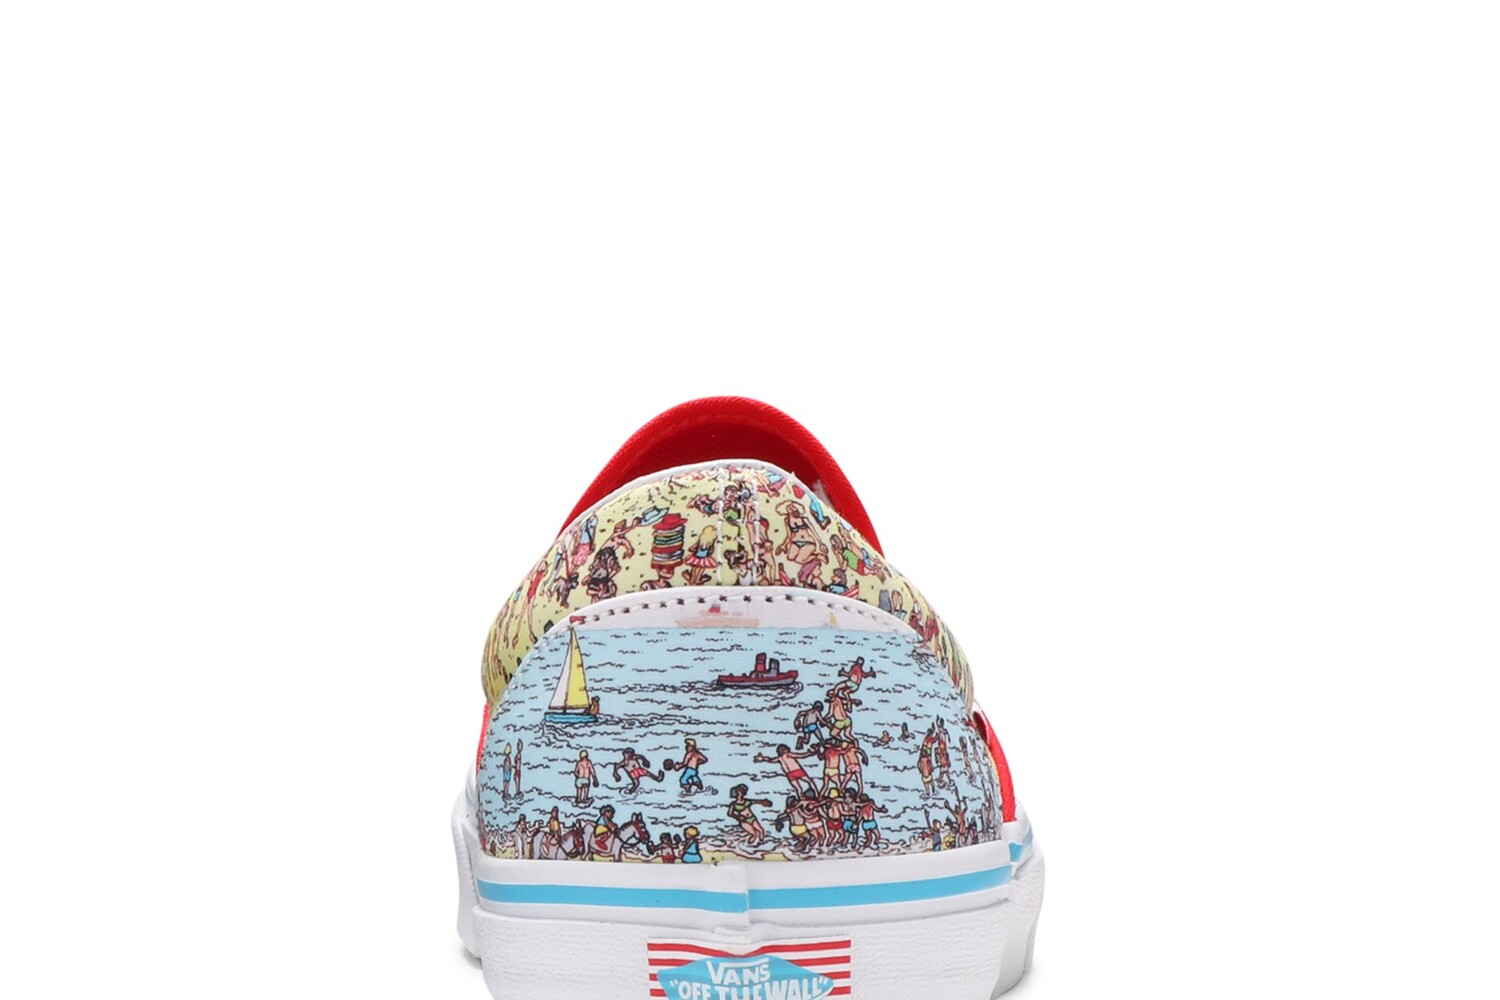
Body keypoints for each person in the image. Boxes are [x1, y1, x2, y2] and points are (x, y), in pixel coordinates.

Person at [754, 744, 819, 795]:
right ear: (785, 750)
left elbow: (770, 760)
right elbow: (800, 755)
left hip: (789, 774)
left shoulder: (779, 758)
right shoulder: (788, 754)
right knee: (810, 781)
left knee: (799, 789)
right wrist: (809, 753)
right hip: (797, 771)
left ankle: (801, 798)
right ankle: (816, 793)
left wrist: (763, 758)